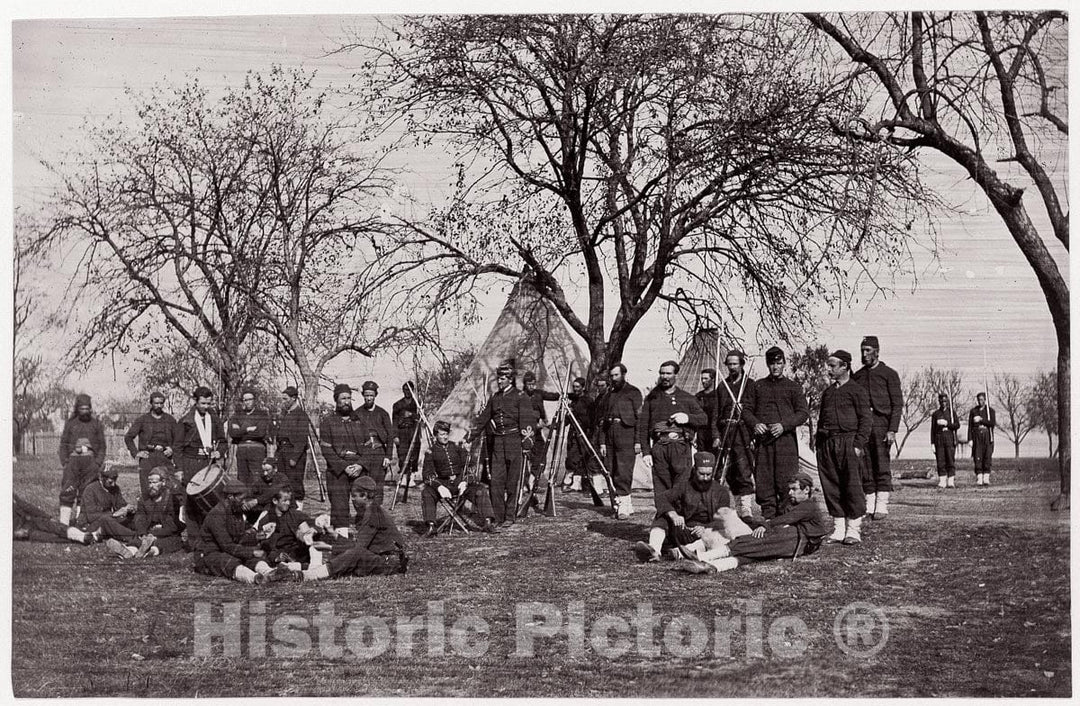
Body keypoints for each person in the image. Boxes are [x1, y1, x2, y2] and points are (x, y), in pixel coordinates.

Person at [681, 472, 830, 573]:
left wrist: (765, 525)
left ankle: (704, 557)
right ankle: (715, 566)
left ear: (806, 490)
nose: (790, 493)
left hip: (800, 540)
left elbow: (786, 519)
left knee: (757, 541)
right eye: (789, 489)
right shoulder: (797, 504)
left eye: (794, 489)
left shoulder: (809, 505)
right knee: (758, 552)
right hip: (799, 541)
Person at [632, 451, 747, 563]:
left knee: (719, 534)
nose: (705, 478)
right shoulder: (684, 486)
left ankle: (682, 552)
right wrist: (674, 515)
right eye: (701, 474)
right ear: (694, 470)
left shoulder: (721, 492)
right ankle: (654, 550)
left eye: (709, 475)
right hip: (683, 529)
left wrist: (706, 528)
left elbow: (722, 520)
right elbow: (662, 498)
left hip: (705, 535)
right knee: (663, 515)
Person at [742, 347, 809, 520]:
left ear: (784, 364)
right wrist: (755, 424)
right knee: (764, 480)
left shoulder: (793, 387)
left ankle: (786, 519)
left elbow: (803, 413)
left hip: (785, 442)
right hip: (764, 442)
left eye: (779, 363)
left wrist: (784, 425)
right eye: (772, 363)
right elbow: (746, 410)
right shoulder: (758, 386)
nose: (775, 367)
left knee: (786, 480)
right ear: (767, 364)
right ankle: (769, 519)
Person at [299, 476, 408, 581]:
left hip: (390, 563)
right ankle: (303, 568)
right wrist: (334, 534)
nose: (352, 499)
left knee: (355, 554)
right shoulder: (373, 510)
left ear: (364, 495)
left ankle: (311, 574)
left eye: (354, 495)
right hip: (388, 560)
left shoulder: (373, 514)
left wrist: (329, 547)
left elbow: (357, 548)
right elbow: (357, 544)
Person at [816, 350, 872, 545]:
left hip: (849, 443)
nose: (828, 369)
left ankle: (853, 530)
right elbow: (821, 420)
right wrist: (819, 446)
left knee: (852, 486)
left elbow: (866, 420)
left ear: (845, 367)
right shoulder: (828, 393)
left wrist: (858, 445)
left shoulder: (857, 391)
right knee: (832, 486)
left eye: (832, 366)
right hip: (828, 444)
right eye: (828, 365)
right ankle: (838, 529)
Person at [637, 360, 707, 510]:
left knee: (682, 488)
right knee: (662, 489)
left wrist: (687, 418)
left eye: (668, 373)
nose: (665, 377)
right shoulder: (652, 398)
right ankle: (665, 525)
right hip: (659, 449)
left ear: (676, 375)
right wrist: (646, 452)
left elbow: (703, 419)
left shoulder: (686, 397)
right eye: (662, 373)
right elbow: (643, 427)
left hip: (681, 448)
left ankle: (681, 525)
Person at [193, 479, 292, 584]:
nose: (244, 502)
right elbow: (227, 545)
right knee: (228, 560)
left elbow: (239, 537)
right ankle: (254, 578)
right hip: (209, 555)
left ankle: (270, 572)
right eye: (242, 499)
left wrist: (257, 537)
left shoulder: (236, 512)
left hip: (228, 550)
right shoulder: (216, 515)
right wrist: (252, 552)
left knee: (248, 557)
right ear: (231, 497)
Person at [852, 336, 903, 520]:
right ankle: (869, 502)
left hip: (882, 424)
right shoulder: (857, 376)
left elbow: (897, 405)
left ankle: (882, 504)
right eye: (862, 350)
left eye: (868, 350)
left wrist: (892, 429)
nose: (864, 354)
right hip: (863, 426)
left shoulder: (889, 374)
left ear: (877, 351)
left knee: (881, 463)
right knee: (865, 465)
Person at [474, 363, 530, 527]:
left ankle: (509, 516)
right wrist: (470, 436)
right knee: (496, 481)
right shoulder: (496, 398)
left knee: (513, 481)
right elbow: (484, 418)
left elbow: (527, 422)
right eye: (498, 378)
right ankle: (498, 516)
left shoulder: (521, 397)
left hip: (514, 441)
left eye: (503, 378)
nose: (499, 381)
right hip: (498, 442)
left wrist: (526, 445)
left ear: (510, 380)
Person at [421, 420, 497, 536]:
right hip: (443, 484)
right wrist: (439, 487)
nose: (445, 437)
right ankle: (431, 525)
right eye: (442, 434)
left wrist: (465, 481)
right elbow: (427, 474)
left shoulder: (456, 447)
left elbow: (470, 465)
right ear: (436, 435)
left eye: (446, 434)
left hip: (460, 482)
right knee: (427, 492)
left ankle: (488, 522)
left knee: (480, 490)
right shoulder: (430, 452)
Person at [174, 386, 227, 544]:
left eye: (209, 403)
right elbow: (177, 448)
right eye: (203, 403)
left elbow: (223, 441)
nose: (206, 407)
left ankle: (209, 539)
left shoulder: (214, 418)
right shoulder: (185, 421)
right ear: (195, 401)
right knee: (191, 502)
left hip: (208, 464)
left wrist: (220, 452)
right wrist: (179, 469)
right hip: (190, 463)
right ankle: (194, 541)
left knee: (209, 501)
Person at [714, 350, 757, 521]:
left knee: (743, 470)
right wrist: (716, 434)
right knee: (727, 471)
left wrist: (753, 434)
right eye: (729, 364)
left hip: (743, 433)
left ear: (741, 364)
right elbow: (716, 414)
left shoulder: (750, 384)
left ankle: (745, 508)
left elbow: (755, 411)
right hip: (726, 431)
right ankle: (727, 508)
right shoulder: (722, 386)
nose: (732, 367)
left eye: (735, 364)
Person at [319, 383, 367, 537]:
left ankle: (367, 536)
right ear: (336, 400)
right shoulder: (328, 422)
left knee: (364, 503)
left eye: (348, 398)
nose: (346, 401)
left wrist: (360, 465)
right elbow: (326, 450)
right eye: (343, 398)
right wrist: (344, 467)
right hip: (338, 470)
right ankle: (341, 538)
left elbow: (368, 448)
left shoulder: (360, 421)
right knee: (339, 506)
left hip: (358, 468)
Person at [78, 466, 153, 559]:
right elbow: (90, 516)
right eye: (110, 482)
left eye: (115, 480)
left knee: (133, 515)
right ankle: (137, 539)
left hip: (109, 521)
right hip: (91, 526)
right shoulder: (90, 489)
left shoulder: (115, 488)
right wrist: (114, 514)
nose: (113, 484)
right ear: (101, 478)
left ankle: (146, 533)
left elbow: (121, 504)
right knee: (106, 520)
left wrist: (128, 508)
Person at [600, 363, 643, 520]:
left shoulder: (633, 392)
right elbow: (602, 421)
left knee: (624, 471)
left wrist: (638, 441)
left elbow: (640, 419)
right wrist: (602, 442)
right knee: (611, 469)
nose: (613, 379)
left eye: (616, 375)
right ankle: (622, 504)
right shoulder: (609, 395)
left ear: (624, 374)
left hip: (627, 434)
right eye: (611, 376)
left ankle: (623, 506)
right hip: (610, 433)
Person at [57, 393, 107, 526]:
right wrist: (65, 462)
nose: (84, 411)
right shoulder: (71, 424)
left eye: (87, 408)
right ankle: (64, 524)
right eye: (82, 408)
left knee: (86, 491)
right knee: (68, 490)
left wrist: (97, 463)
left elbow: (102, 446)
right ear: (77, 409)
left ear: (90, 409)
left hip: (90, 463)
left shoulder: (96, 424)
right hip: (73, 462)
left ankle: (82, 522)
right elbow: (63, 444)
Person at [519, 371, 562, 514]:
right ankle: (525, 486)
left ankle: (532, 479)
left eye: (533, 383)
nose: (531, 386)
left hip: (537, 432)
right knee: (524, 459)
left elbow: (553, 396)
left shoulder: (538, 393)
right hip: (524, 434)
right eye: (528, 384)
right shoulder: (520, 396)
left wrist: (565, 395)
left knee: (541, 457)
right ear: (524, 384)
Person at [123, 391, 178, 498]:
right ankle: (148, 512)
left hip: (165, 457)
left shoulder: (170, 420)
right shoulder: (143, 420)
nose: (158, 406)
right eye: (156, 403)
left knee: (169, 487)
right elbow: (128, 437)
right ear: (151, 403)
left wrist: (172, 449)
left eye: (161, 403)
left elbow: (178, 439)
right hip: (148, 458)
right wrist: (136, 453)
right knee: (148, 490)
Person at [352, 381, 394, 506]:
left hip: (378, 453)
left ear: (375, 395)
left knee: (377, 487)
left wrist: (388, 456)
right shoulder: (357, 413)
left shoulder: (382, 414)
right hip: (363, 454)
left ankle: (377, 516)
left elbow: (390, 436)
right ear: (363, 395)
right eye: (366, 395)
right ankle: (362, 517)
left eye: (371, 395)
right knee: (361, 485)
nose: (369, 398)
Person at [254, 488, 318, 568]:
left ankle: (297, 565)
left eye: (289, 500)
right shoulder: (266, 520)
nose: (288, 503)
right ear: (275, 501)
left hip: (295, 550)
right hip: (277, 552)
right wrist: (277, 557)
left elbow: (312, 525)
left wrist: (309, 533)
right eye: (284, 501)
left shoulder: (295, 514)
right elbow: (265, 544)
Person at [275, 386, 313, 509]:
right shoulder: (285, 415)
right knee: (282, 482)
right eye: (282, 399)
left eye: (286, 399)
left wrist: (295, 458)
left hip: (294, 454)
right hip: (283, 453)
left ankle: (298, 511)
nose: (283, 402)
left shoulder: (301, 415)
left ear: (294, 398)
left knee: (295, 483)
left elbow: (302, 439)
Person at [131, 468, 184, 555]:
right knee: (136, 539)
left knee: (174, 541)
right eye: (150, 483)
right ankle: (129, 550)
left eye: (155, 483)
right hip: (148, 532)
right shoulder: (144, 499)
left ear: (163, 482)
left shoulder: (170, 499)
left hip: (165, 534)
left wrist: (154, 534)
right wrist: (143, 533)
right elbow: (140, 518)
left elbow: (172, 526)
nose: (151, 486)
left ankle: (151, 551)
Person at [228, 389, 272, 486]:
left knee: (257, 478)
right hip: (242, 449)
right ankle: (243, 500)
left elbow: (260, 433)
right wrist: (248, 429)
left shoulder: (262, 414)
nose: (247, 402)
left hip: (257, 449)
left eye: (249, 399)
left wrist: (241, 430)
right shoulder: (237, 415)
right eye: (245, 400)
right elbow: (232, 433)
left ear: (255, 400)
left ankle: (256, 500)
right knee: (242, 479)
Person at [14, 493, 95, 544]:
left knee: (54, 525)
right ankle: (80, 538)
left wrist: (47, 517)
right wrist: (14, 533)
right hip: (21, 529)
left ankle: (83, 535)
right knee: (47, 536)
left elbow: (26, 506)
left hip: (30, 520)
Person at [562, 377, 592, 492]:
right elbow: (569, 418)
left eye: (578, 387)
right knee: (571, 456)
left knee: (580, 458)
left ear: (583, 388)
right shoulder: (573, 401)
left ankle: (575, 483)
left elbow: (589, 418)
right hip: (573, 432)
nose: (575, 389)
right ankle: (573, 482)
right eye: (574, 387)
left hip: (583, 432)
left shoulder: (588, 401)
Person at [392, 383, 422, 496]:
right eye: (405, 390)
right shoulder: (397, 405)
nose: (407, 392)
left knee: (414, 453)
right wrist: (395, 435)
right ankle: (403, 476)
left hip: (413, 431)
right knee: (402, 453)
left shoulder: (417, 404)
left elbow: (421, 418)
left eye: (409, 390)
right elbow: (394, 421)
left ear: (413, 390)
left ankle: (412, 476)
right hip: (402, 432)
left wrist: (411, 414)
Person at [930, 393, 961, 489]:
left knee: (950, 460)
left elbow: (957, 425)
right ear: (939, 402)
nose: (943, 403)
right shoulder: (936, 414)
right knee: (940, 460)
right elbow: (933, 430)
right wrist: (932, 443)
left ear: (947, 402)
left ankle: (951, 481)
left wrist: (947, 424)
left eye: (945, 401)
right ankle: (942, 481)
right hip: (939, 439)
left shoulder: (952, 413)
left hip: (949, 438)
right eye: (941, 401)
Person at [968, 392, 997, 486]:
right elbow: (970, 426)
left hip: (987, 437)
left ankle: (986, 478)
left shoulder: (990, 411)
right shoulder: (973, 411)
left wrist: (981, 420)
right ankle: (979, 477)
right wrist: (970, 439)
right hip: (977, 437)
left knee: (987, 456)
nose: (980, 401)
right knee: (977, 456)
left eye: (982, 399)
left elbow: (992, 423)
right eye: (978, 399)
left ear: (985, 400)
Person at [695, 368, 719, 454]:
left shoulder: (718, 395)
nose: (703, 381)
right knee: (702, 456)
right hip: (702, 431)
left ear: (713, 379)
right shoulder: (698, 396)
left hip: (714, 431)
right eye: (702, 378)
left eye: (706, 378)